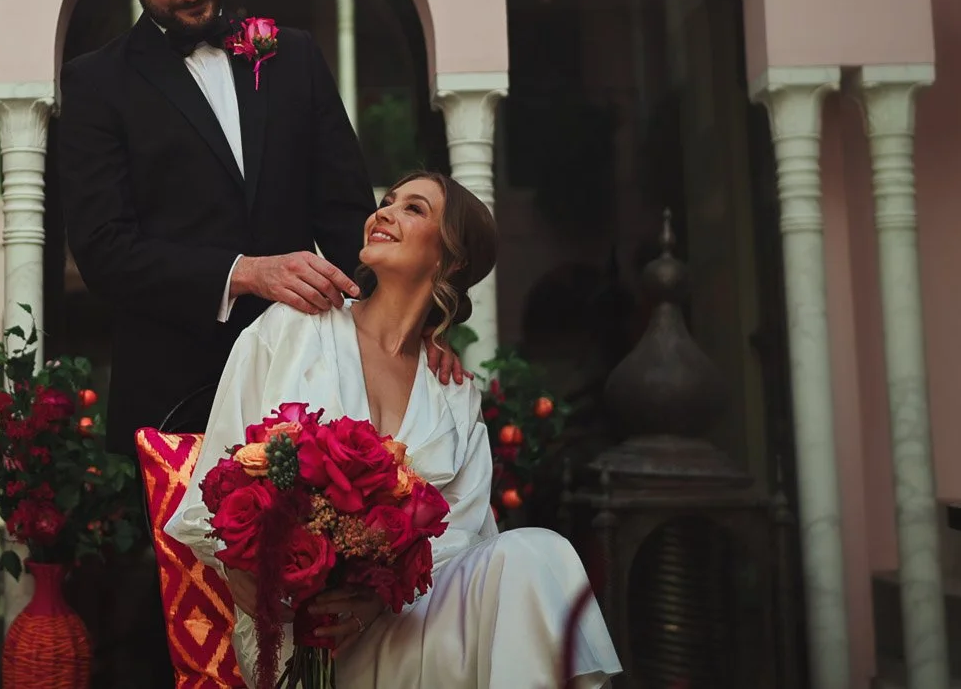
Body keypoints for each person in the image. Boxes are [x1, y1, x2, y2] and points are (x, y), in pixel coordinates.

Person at [54, 0, 466, 461]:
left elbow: (351, 221)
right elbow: (104, 253)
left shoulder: (293, 57)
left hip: (309, 395)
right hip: (176, 404)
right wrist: (242, 273)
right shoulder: (95, 84)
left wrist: (413, 333)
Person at [166, 172, 623, 688]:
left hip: (410, 621)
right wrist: (251, 570)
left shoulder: (452, 392)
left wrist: (377, 595)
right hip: (302, 639)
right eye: (386, 202)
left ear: (452, 260)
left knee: (540, 550)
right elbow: (211, 493)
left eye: (414, 209)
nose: (384, 212)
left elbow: (462, 541)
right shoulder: (293, 329)